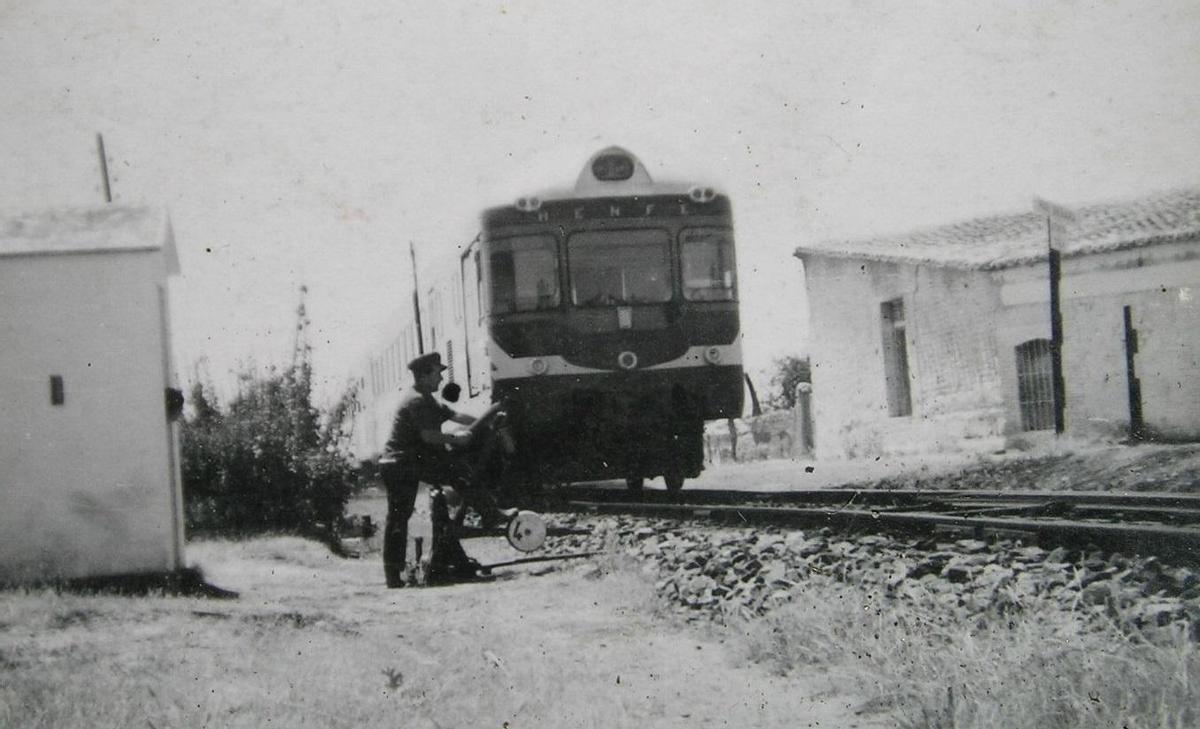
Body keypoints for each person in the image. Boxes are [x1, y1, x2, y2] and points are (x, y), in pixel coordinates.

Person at [380, 352, 507, 587]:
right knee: (399, 517)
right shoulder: (417, 401)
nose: (441, 379)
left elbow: (457, 416)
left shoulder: (428, 399)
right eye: (438, 373)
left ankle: (489, 512)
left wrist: (486, 420)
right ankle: (392, 576)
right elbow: (428, 436)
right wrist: (456, 439)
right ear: (425, 374)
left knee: (454, 470)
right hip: (400, 464)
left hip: (407, 462)